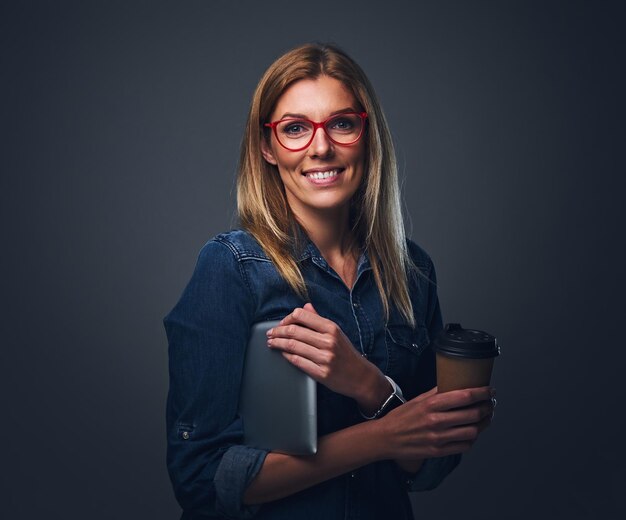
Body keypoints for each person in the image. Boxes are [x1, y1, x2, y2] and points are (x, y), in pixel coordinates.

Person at [164, 42, 495, 520]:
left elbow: (426, 470)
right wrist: (379, 435)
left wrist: (370, 386)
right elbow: (200, 480)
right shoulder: (230, 267)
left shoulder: (412, 271)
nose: (321, 146)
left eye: (341, 123)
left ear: (366, 133)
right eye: (294, 128)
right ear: (267, 147)